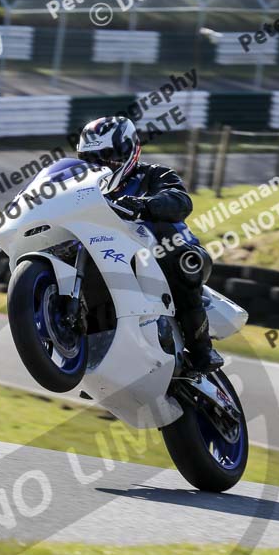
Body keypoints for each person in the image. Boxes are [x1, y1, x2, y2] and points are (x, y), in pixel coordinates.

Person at [76, 115, 223, 374]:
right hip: (116, 258)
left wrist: (146, 205)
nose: (101, 164)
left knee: (181, 262)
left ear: (130, 150)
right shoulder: (85, 190)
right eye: (92, 158)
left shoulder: (154, 174)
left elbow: (181, 200)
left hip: (168, 253)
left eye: (107, 155)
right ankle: (97, 359)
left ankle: (202, 350)